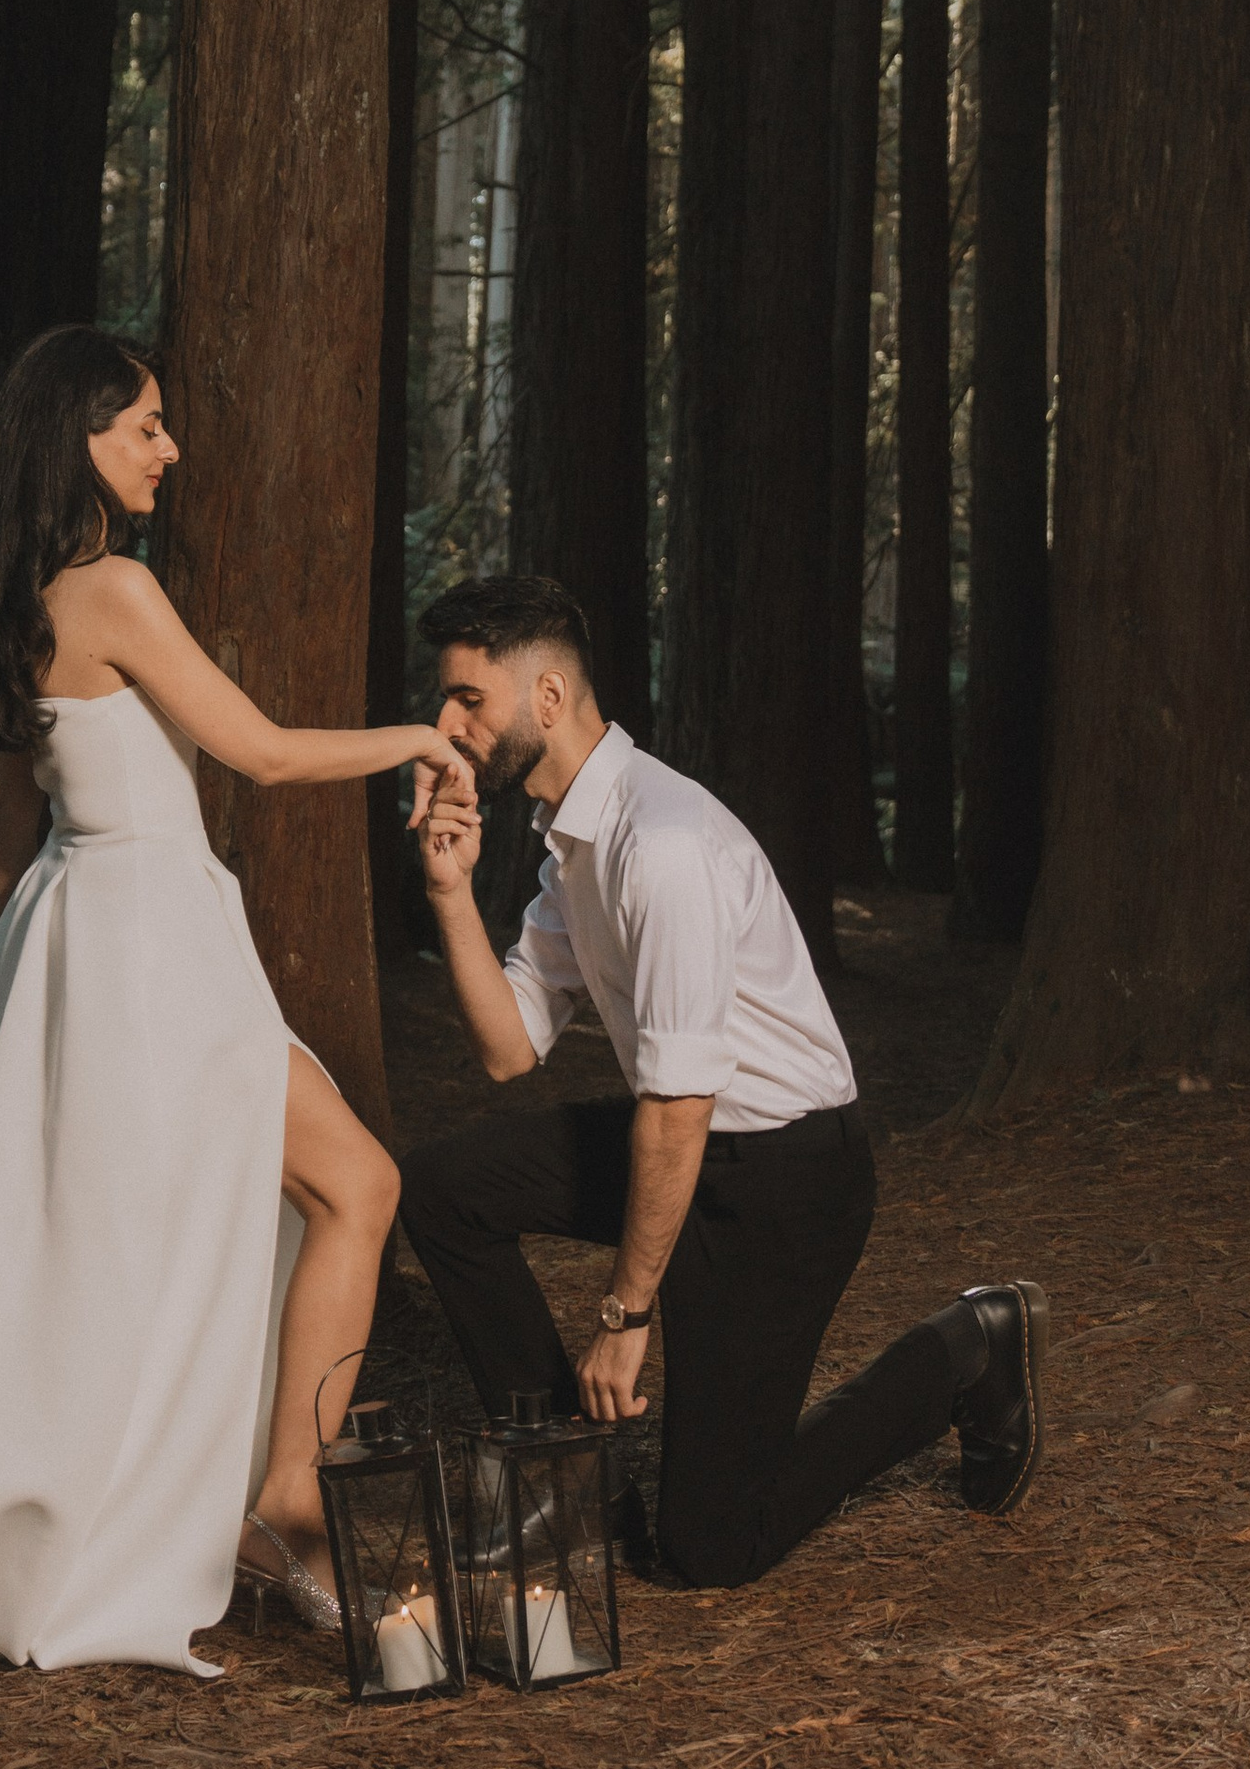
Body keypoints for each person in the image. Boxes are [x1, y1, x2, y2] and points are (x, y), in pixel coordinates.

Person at [0, 328, 472, 1683]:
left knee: (274, 1207)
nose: (171, 447)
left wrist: (18, 1023)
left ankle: (248, 1504)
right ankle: (283, 1506)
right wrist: (421, 735)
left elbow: (8, 831)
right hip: (149, 942)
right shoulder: (112, 587)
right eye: (146, 424)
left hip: (85, 939)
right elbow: (263, 755)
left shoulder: (17, 593)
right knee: (355, 1186)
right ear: (78, 440)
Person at [398, 574, 1045, 1591]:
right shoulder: (574, 837)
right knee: (439, 1188)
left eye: (467, 700)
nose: (443, 726)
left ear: (550, 699)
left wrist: (624, 1316)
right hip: (692, 1147)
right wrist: (446, 893)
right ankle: (559, 1481)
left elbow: (679, 1110)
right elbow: (508, 1046)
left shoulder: (661, 844)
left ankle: (963, 1350)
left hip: (782, 1180)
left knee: (708, 1548)